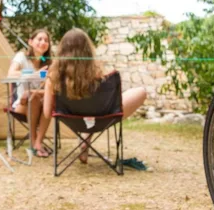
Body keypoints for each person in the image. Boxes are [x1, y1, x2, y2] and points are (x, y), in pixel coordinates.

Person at [43, 28, 146, 163]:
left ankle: (85, 136)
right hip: (102, 119)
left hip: (72, 121)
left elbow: (46, 113)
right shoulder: (101, 75)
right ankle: (87, 136)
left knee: (88, 110)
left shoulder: (53, 78)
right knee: (141, 91)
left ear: (62, 51)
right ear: (88, 50)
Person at [7, 28, 53, 157]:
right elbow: (11, 74)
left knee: (46, 100)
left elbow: (52, 87)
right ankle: (34, 142)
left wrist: (31, 91)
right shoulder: (21, 57)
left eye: (46, 40)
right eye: (39, 39)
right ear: (30, 42)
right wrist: (33, 74)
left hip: (42, 104)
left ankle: (38, 143)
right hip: (21, 104)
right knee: (35, 98)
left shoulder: (48, 63)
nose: (43, 42)